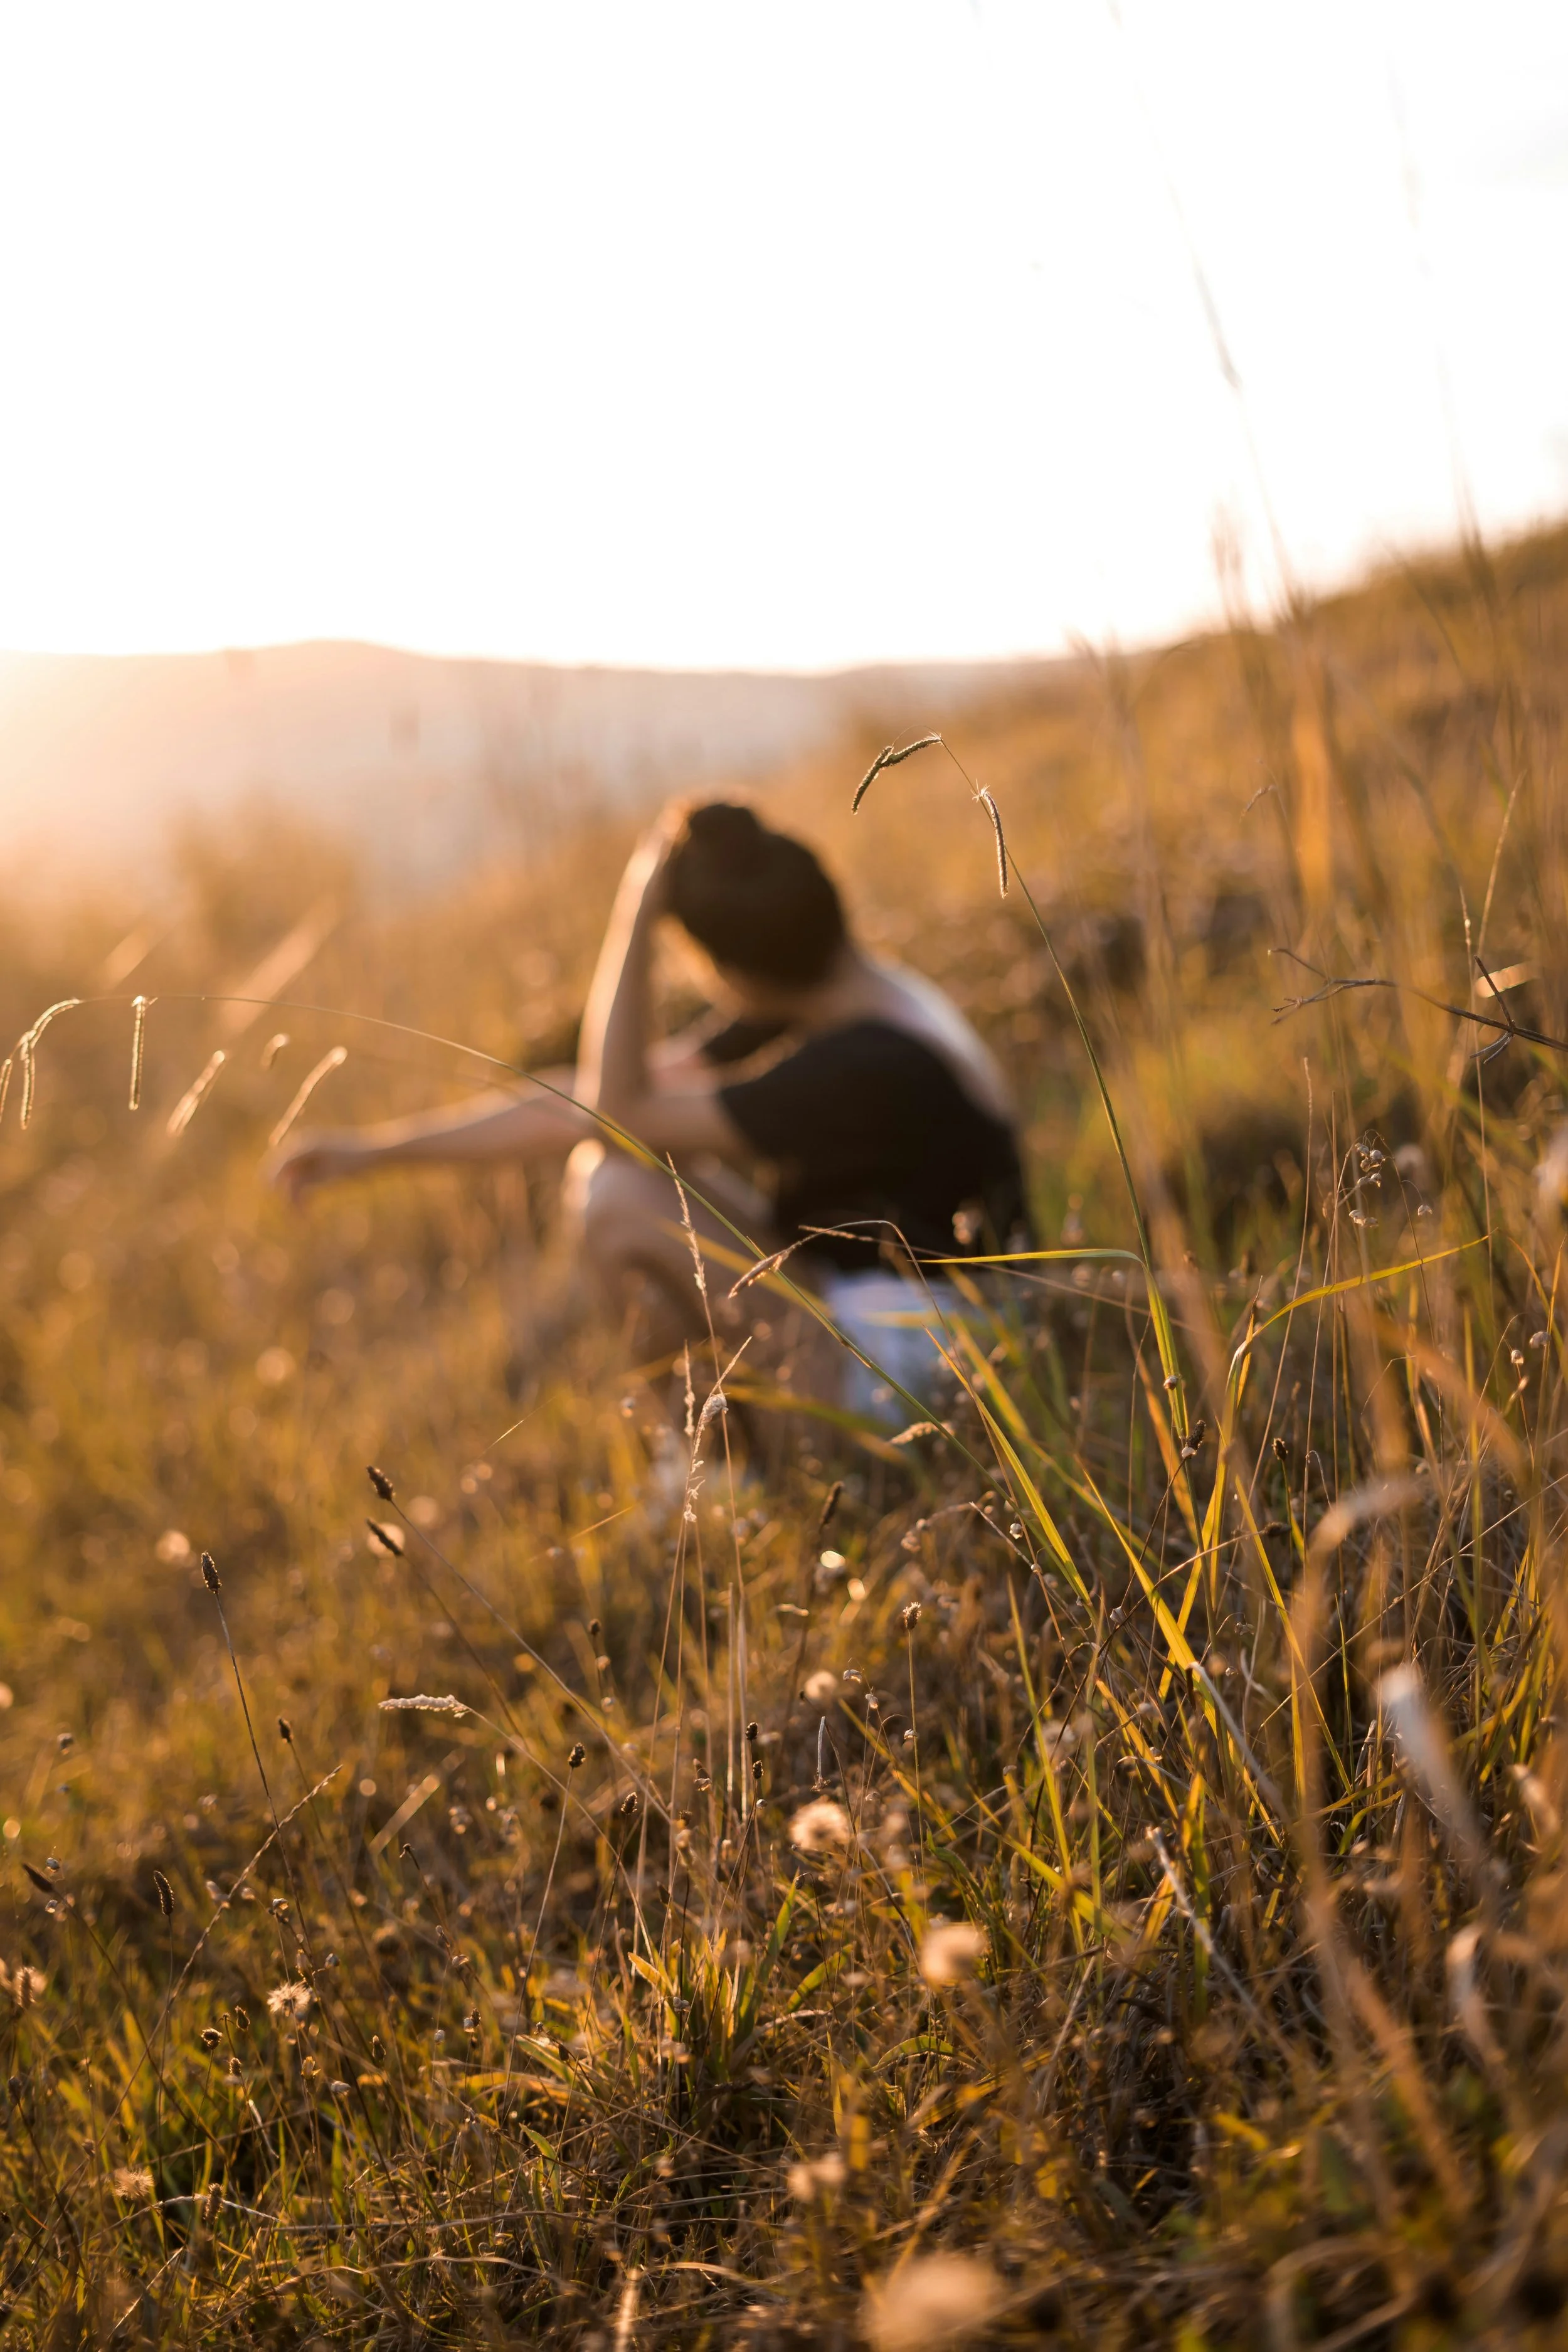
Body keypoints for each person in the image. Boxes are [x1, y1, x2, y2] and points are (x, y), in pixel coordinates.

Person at [272, 802, 1030, 1421]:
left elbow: (615, 1114)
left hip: (932, 1366)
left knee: (616, 1194)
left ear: (731, 971)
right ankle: (727, 1456)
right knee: (613, 1168)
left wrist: (635, 911)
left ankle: (719, 1472)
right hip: (893, 1316)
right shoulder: (854, 998)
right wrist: (373, 1153)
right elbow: (580, 1103)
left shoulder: (864, 1065)